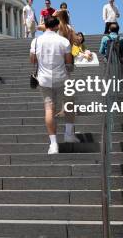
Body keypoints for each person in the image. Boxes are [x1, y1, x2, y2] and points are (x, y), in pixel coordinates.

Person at [30, 16, 78, 155]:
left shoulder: (37, 40)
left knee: (49, 109)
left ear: (45, 25)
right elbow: (69, 62)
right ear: (57, 26)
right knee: (69, 104)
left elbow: (32, 59)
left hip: (44, 79)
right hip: (62, 77)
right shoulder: (63, 41)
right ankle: (69, 134)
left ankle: (53, 144)